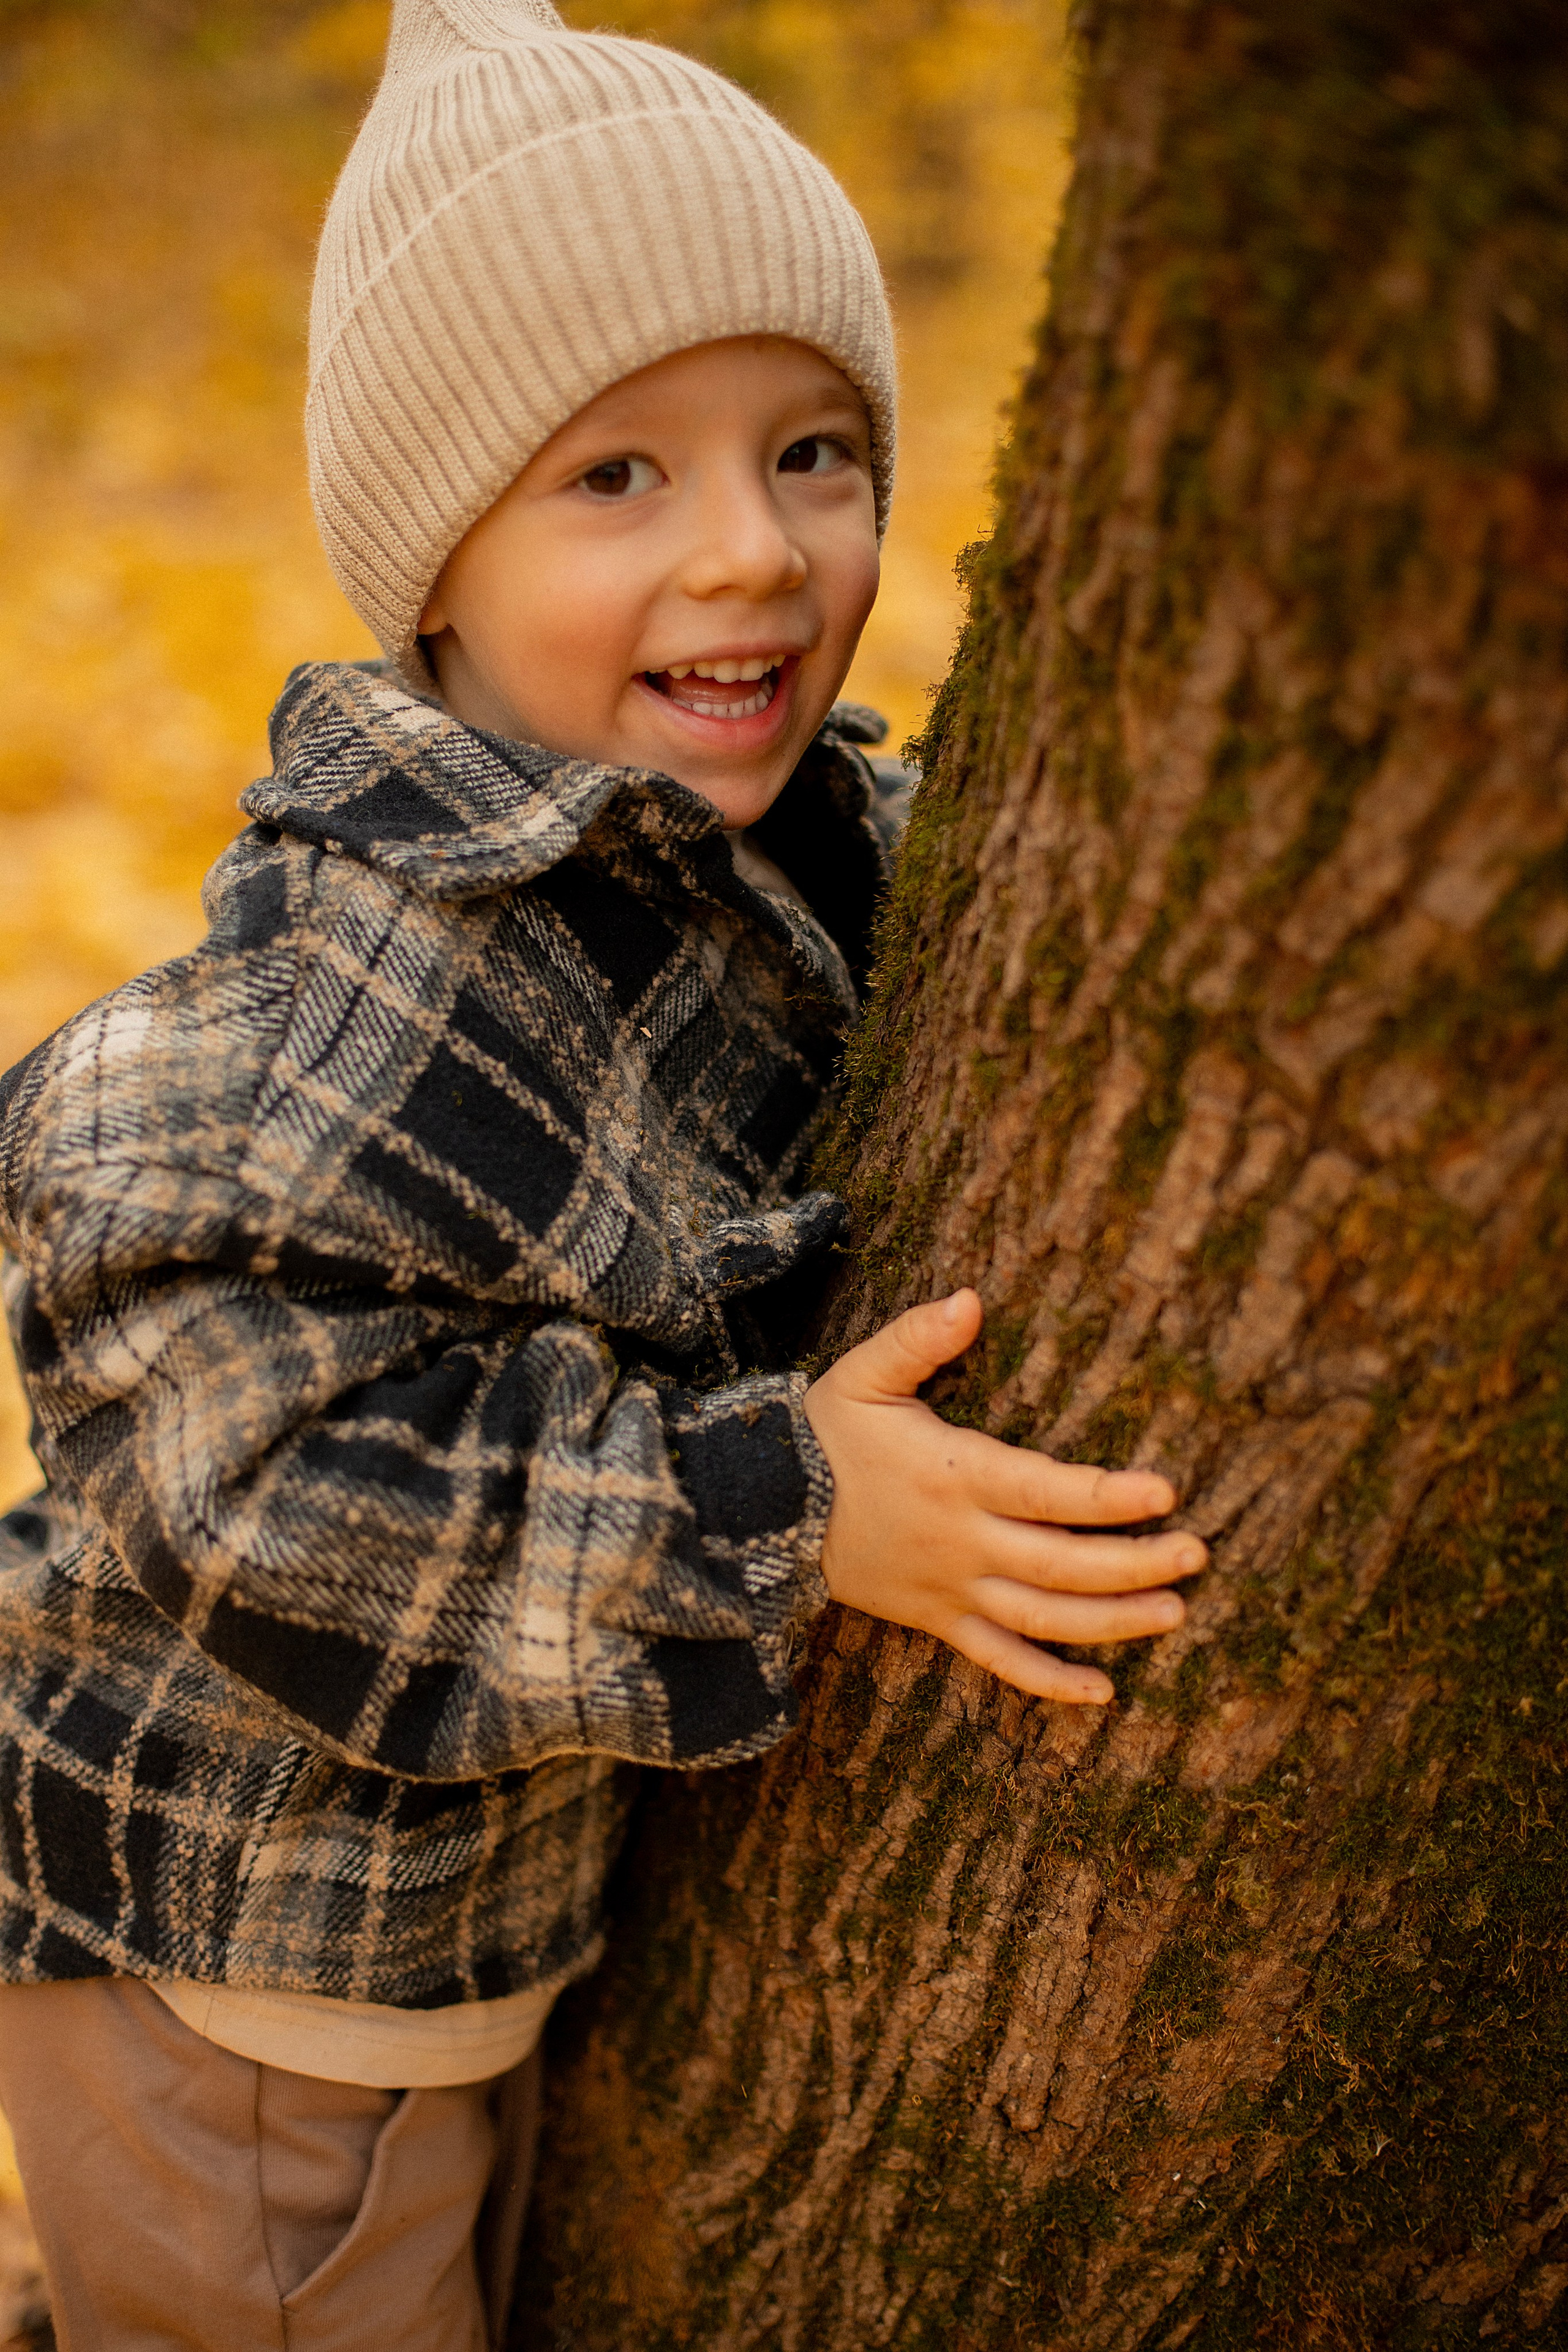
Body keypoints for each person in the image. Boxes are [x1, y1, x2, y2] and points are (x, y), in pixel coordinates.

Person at [0, 3, 1207, 2345]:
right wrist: (783, 1514)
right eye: (616, 481)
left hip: (462, 1929)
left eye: (815, 449)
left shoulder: (746, 843)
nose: (755, 552)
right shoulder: (371, 982)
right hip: (239, 1991)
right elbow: (263, 1488)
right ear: (432, 573)